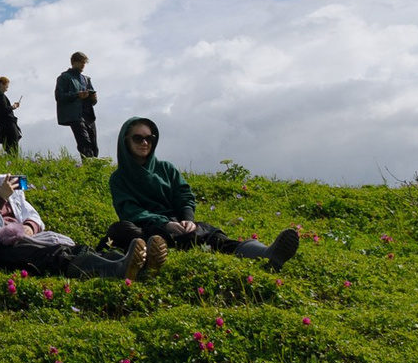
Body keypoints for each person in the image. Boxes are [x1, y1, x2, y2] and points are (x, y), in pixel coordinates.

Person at [102, 116, 298, 272]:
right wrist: (162, 223)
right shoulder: (119, 178)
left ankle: (266, 253)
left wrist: (187, 219)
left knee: (209, 234)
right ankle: (147, 256)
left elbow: (183, 195)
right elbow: (129, 210)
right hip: (146, 227)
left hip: (176, 225)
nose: (144, 142)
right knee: (122, 229)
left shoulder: (166, 169)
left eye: (149, 138)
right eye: (138, 138)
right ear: (125, 140)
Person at [0, 129, 143, 281]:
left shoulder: (4, 180)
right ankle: (117, 269)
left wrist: (29, 228)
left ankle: (128, 264)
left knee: (67, 247)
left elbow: (31, 213)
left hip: (24, 238)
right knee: (51, 255)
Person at [55, 53, 100, 159]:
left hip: (88, 115)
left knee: (94, 144)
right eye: (81, 62)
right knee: (85, 142)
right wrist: (77, 95)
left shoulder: (86, 79)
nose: (83, 65)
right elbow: (59, 96)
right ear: (74, 62)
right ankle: (89, 167)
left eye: (84, 63)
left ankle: (94, 167)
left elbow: (93, 101)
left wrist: (94, 99)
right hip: (75, 115)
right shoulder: (64, 77)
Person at [0, 77, 22, 156]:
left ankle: (10, 165)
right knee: (13, 150)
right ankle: (14, 166)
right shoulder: (0, 95)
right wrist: (14, 106)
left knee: (8, 149)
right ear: (1, 84)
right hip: (9, 126)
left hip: (1, 127)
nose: (7, 89)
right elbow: (4, 109)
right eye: (6, 86)